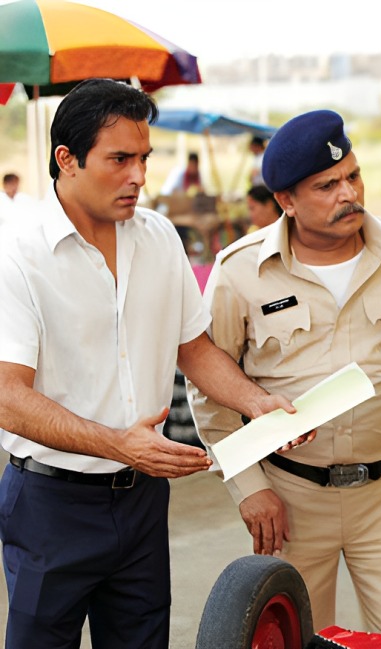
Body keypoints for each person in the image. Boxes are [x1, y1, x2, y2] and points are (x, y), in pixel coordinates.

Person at [0, 78, 305, 649]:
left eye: (144, 157)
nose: (139, 176)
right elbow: (8, 399)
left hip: (142, 500)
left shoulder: (159, 237)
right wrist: (119, 443)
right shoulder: (15, 254)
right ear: (66, 159)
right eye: (119, 159)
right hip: (50, 506)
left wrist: (257, 403)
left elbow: (196, 350)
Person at [189, 109, 381, 635]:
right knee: (299, 636)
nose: (349, 194)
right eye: (327, 185)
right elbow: (210, 390)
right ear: (287, 201)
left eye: (353, 176)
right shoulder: (239, 271)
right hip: (291, 498)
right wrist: (249, 486)